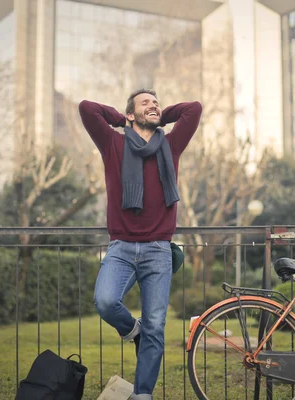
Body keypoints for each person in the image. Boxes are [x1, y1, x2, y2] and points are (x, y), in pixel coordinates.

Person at [79, 90, 202, 400]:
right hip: (121, 247)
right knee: (106, 301)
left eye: (156, 102)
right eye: (146, 102)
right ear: (131, 114)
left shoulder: (170, 145)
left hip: (159, 249)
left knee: (156, 328)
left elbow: (193, 109)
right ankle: (132, 330)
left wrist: (161, 116)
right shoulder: (113, 144)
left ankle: (143, 394)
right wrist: (123, 121)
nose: (154, 105)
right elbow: (87, 108)